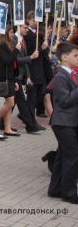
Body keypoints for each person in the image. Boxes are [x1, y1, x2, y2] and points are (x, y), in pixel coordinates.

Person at [47, 42, 78, 204]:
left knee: (62, 155)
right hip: (63, 122)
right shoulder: (60, 76)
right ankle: (69, 192)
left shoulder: (72, 73)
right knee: (73, 156)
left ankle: (55, 188)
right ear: (65, 57)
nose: (77, 58)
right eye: (75, 55)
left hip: (70, 121)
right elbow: (65, 101)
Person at [24, 12, 49, 127]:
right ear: (28, 20)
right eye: (33, 20)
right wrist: (41, 48)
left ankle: (26, 114)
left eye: (37, 20)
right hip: (33, 69)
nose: (35, 22)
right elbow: (30, 52)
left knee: (42, 92)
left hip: (41, 69)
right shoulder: (27, 34)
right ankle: (30, 120)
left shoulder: (39, 34)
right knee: (32, 96)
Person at [0, 26, 20, 136]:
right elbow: (6, 61)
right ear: (6, 33)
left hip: (10, 77)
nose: (13, 34)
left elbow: (13, 65)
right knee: (10, 103)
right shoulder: (1, 46)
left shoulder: (9, 45)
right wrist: (16, 50)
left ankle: (7, 127)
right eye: (11, 32)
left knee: (10, 103)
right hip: (4, 77)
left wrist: (14, 80)